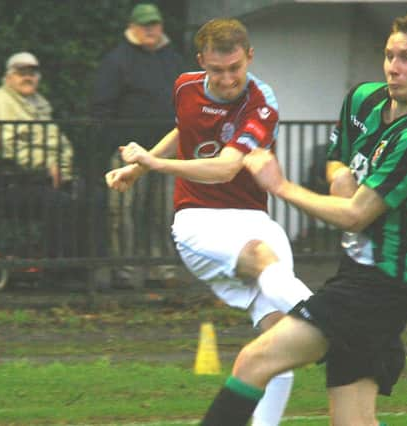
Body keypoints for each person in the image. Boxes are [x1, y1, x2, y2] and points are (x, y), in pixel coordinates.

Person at [199, 12, 407, 426]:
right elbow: (337, 158)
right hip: (358, 273)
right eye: (390, 55)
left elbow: (355, 215)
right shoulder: (364, 100)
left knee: (254, 361)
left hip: (383, 286)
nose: (393, 67)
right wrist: (339, 176)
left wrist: (280, 186)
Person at [106, 18, 313, 426]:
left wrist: (152, 163)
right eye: (217, 70)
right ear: (202, 62)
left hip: (252, 216)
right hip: (197, 219)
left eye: (235, 68)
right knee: (261, 257)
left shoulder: (262, 100)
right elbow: (183, 129)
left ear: (249, 58)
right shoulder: (185, 85)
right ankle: (337, 322)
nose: (226, 78)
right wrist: (141, 168)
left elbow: (225, 169)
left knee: (279, 343)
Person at [91, 3, 184, 288]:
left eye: (154, 24)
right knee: (123, 213)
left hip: (165, 151)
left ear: (161, 27)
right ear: (132, 27)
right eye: (144, 25)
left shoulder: (172, 59)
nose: (150, 30)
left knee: (163, 212)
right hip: (128, 152)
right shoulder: (117, 60)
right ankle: (126, 273)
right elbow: (101, 107)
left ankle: (162, 270)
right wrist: (116, 142)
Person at [0, 52, 79, 259]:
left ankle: (80, 269)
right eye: (21, 73)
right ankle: (55, 269)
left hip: (41, 181)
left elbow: (62, 144)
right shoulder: (0, 102)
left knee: (89, 198)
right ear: (9, 77)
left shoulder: (39, 104)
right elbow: (6, 147)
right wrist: (47, 167)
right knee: (60, 203)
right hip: (7, 184)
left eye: (32, 73)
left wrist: (62, 171)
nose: (28, 77)